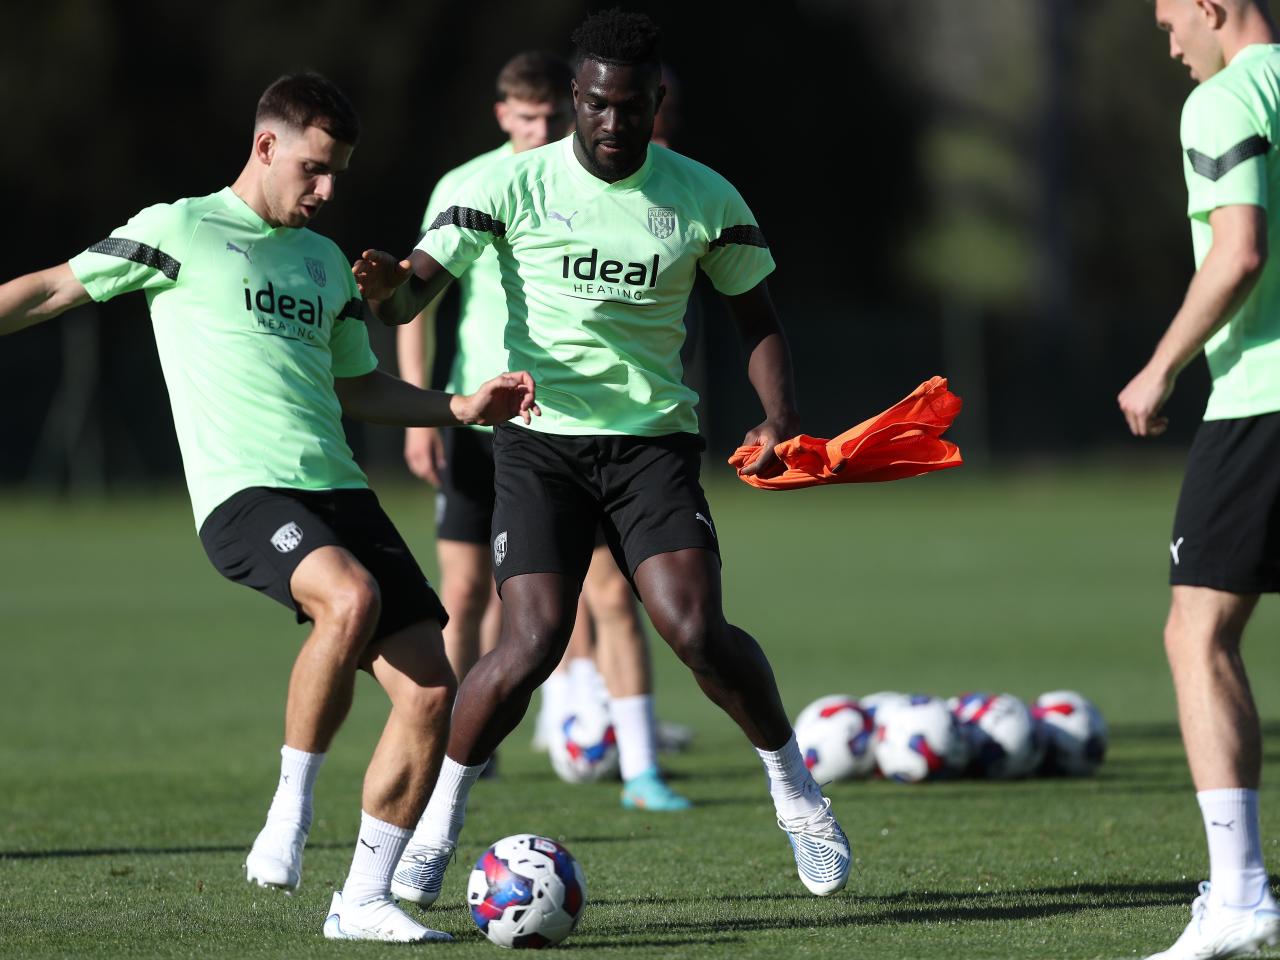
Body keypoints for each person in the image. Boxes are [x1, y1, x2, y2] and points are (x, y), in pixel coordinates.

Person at [0, 73, 538, 944]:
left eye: (338, 177)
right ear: (266, 147)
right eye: (315, 170)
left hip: (338, 488)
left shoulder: (324, 263)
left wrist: (458, 408)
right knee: (350, 597)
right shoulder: (178, 229)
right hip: (244, 492)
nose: (326, 192)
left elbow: (357, 386)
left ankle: (362, 900)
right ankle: (288, 815)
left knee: (431, 691)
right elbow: (53, 289)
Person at [355, 9, 850, 905]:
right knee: (532, 641)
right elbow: (406, 303)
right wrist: (389, 291)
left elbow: (758, 322)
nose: (612, 123)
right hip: (539, 446)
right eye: (594, 105)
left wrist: (781, 418)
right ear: (572, 100)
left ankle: (797, 792)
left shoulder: (705, 197)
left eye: (631, 106)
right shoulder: (509, 188)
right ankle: (438, 826)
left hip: (653, 446)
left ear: (657, 102)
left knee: (694, 629)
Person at [394, 50, 691, 817]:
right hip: (477, 418)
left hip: (567, 423)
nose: (538, 131)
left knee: (609, 598)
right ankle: (457, 754)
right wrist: (429, 408)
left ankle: (641, 766)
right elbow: (415, 299)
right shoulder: (469, 186)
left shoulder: (588, 184)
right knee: (461, 593)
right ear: (502, 116)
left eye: (548, 119)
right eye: (523, 119)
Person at [1119, 1, 1280, 957]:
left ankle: (1242, 895)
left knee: (1197, 632)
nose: (1171, 43)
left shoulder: (1224, 99)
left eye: (1172, 20)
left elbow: (1240, 249)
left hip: (1263, 398)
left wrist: (1162, 364)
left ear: (1214, 8)